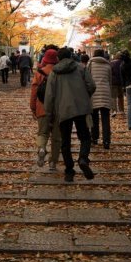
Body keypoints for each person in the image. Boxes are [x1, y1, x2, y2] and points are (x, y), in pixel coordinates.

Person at [44, 47, 96, 182]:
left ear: (58, 59)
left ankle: (69, 171)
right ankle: (83, 158)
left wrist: (49, 115)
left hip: (63, 110)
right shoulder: (80, 68)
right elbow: (92, 85)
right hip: (81, 108)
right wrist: (85, 96)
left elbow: (49, 96)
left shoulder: (54, 72)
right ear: (71, 55)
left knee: (65, 141)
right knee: (85, 136)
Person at [30, 48, 61, 171]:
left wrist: (33, 107)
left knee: (42, 132)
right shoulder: (60, 73)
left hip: (42, 107)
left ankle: (42, 148)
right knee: (57, 137)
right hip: (58, 108)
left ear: (45, 59)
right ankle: (53, 162)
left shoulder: (39, 73)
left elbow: (34, 91)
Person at [87, 48, 112, 150]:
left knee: (94, 118)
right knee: (106, 119)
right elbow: (110, 81)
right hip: (105, 93)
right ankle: (106, 141)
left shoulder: (90, 64)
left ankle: (95, 138)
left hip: (94, 94)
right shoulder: (107, 65)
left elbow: (88, 80)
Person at [110, 52, 124, 117]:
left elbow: (110, 72)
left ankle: (114, 111)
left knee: (113, 97)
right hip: (121, 82)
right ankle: (121, 110)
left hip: (113, 82)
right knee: (120, 96)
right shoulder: (123, 62)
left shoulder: (112, 63)